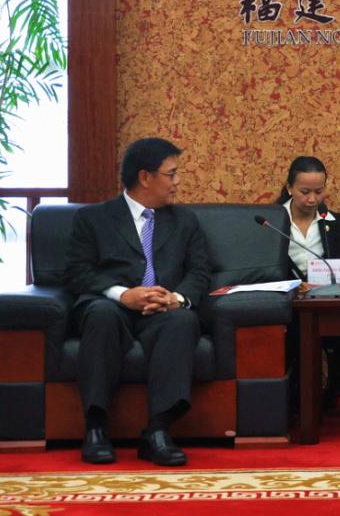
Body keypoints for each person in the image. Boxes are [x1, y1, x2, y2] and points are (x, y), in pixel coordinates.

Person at [64, 137, 211, 466]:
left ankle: (157, 431)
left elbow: (200, 271)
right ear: (145, 177)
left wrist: (176, 298)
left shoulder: (185, 221)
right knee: (100, 315)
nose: (177, 182)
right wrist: (123, 294)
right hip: (111, 305)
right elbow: (77, 273)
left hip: (163, 309)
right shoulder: (94, 219)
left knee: (184, 320)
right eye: (171, 174)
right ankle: (96, 428)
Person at [279, 156, 340, 418]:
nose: (312, 199)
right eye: (305, 192)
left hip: (324, 294)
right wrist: (295, 285)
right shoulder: (274, 220)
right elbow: (267, 267)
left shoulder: (332, 221)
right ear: (290, 188)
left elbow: (339, 262)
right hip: (289, 296)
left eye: (319, 192)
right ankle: (301, 394)